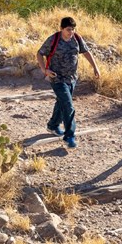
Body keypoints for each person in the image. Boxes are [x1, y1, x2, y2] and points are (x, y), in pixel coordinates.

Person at [36, 16, 100, 149]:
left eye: (73, 29)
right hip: (57, 78)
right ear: (62, 29)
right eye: (68, 29)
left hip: (72, 78)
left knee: (62, 102)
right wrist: (44, 70)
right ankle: (69, 136)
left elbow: (86, 52)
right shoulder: (53, 39)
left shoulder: (77, 39)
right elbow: (39, 53)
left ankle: (53, 125)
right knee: (68, 105)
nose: (71, 32)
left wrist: (95, 67)